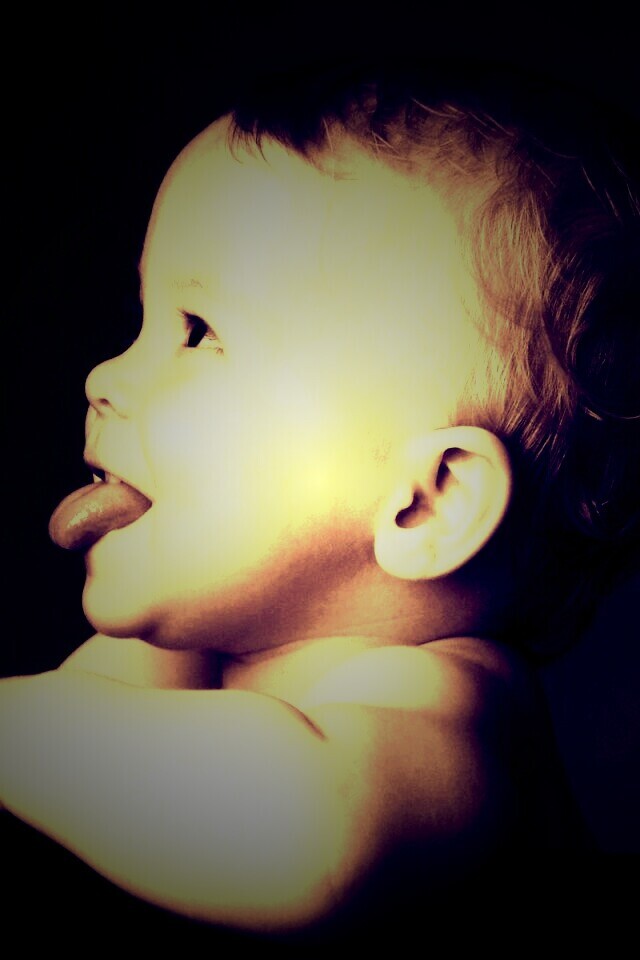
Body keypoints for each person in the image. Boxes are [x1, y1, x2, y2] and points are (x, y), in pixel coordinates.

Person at [2, 59, 638, 944]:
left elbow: (306, 840)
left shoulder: (449, 708)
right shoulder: (173, 657)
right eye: (140, 318)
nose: (103, 376)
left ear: (426, 503)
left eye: (196, 333)